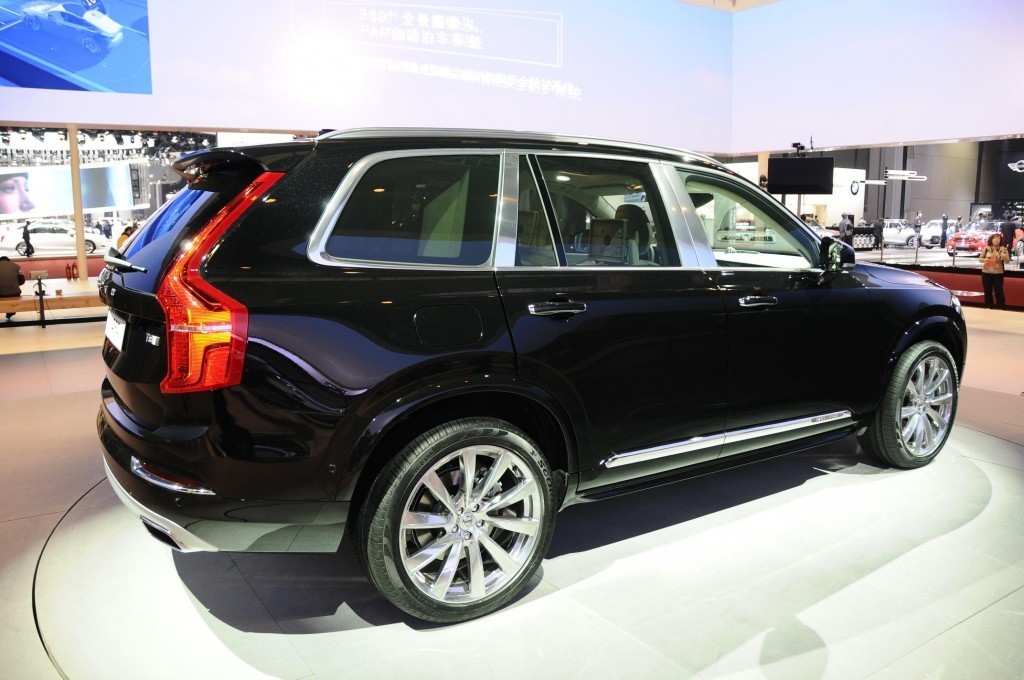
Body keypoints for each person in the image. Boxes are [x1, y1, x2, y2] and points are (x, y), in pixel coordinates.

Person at [979, 233, 1010, 309]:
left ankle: (1001, 307)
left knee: (998, 291)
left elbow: (1007, 261)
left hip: (998, 273)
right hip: (986, 272)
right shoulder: (986, 248)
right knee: (987, 291)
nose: (997, 240)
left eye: (998, 238)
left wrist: (1004, 256)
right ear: (991, 240)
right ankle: (989, 307)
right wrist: (985, 260)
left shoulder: (1003, 249)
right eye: (995, 238)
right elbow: (980, 259)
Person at [0, 255, 25, 320]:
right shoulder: (16, 266)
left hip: (0, 293)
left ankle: (8, 310)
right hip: (14, 292)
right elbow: (22, 281)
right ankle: (11, 311)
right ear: (9, 261)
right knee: (15, 293)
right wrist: (14, 284)